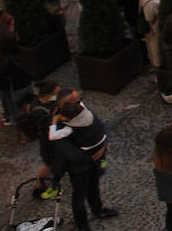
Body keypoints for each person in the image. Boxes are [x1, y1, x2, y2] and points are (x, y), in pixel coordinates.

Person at [50, 98, 120, 231]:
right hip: (78, 166)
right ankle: (82, 225)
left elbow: (100, 128)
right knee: (79, 196)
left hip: (91, 160)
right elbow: (66, 150)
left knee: (94, 186)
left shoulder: (79, 119)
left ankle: (97, 208)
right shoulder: (65, 126)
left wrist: (100, 147)